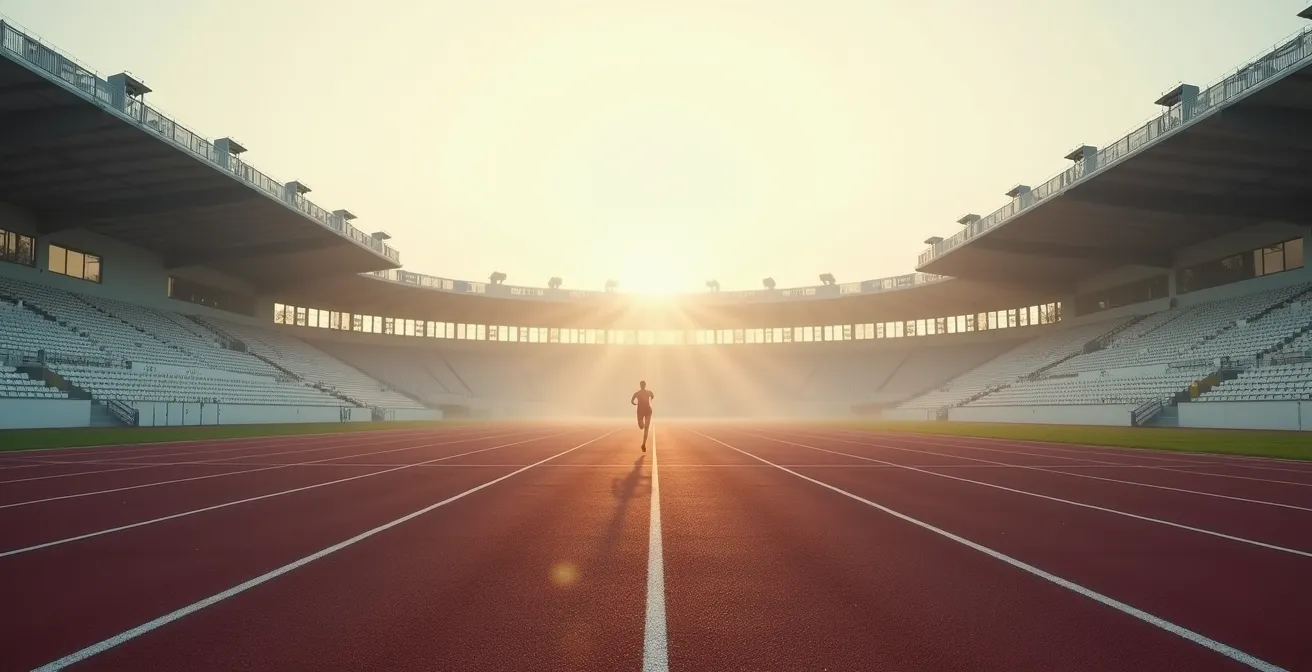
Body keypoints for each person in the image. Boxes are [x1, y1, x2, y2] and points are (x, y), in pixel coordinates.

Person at [631, 380, 654, 451]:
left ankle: (643, 444)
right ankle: (643, 425)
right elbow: (632, 400)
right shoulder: (637, 393)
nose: (643, 386)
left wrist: (651, 398)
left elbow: (652, 395)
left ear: (644, 385)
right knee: (641, 427)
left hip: (648, 411)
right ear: (640, 385)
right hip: (640, 412)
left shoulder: (648, 392)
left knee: (646, 428)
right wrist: (634, 403)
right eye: (642, 385)